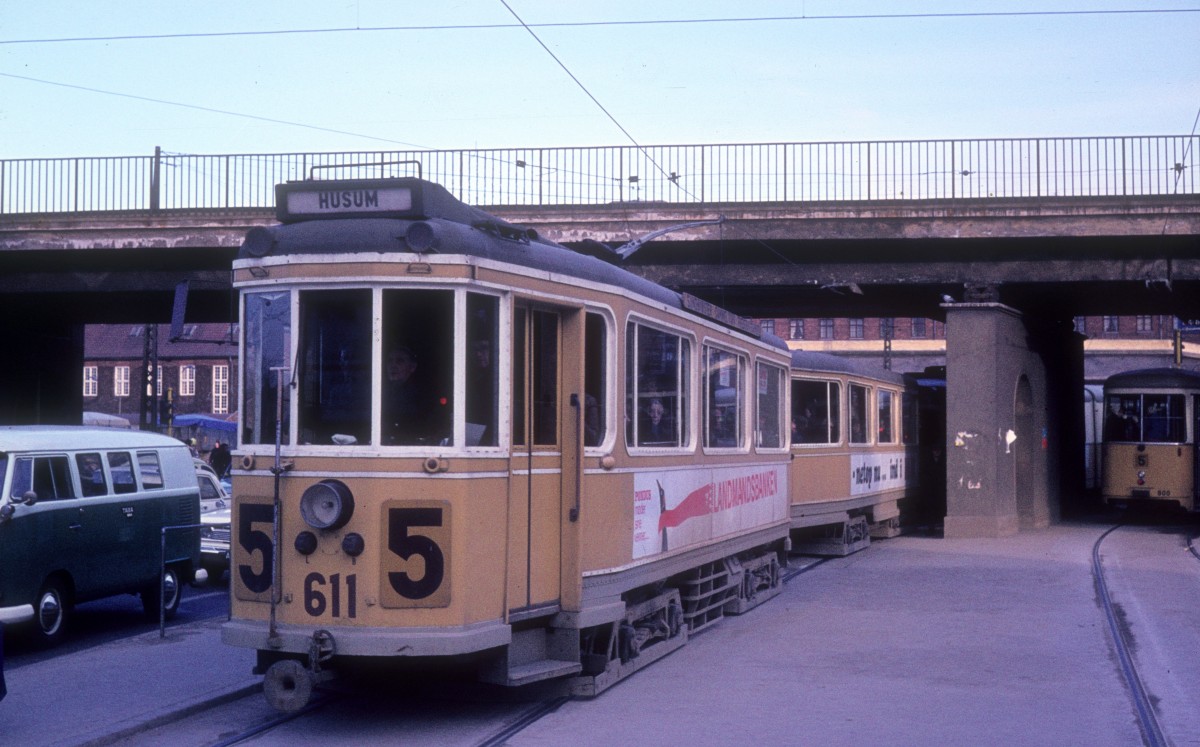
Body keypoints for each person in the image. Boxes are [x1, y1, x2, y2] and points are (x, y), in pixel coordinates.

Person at [383, 345, 431, 444]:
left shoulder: (420, 395)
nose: (393, 365)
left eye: (400, 361)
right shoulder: (380, 391)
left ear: (412, 367)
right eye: (390, 361)